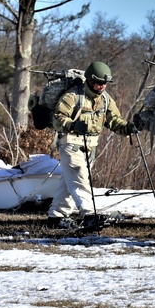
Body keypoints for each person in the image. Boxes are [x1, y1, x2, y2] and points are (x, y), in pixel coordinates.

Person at [49, 61, 138, 228]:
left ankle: (57, 216)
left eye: (104, 83)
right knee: (79, 178)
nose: (101, 86)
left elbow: (113, 120)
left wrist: (127, 128)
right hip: (70, 142)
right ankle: (89, 214)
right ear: (89, 80)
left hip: (90, 146)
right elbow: (57, 118)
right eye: (98, 83)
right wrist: (72, 125)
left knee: (69, 181)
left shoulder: (105, 99)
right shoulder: (73, 96)